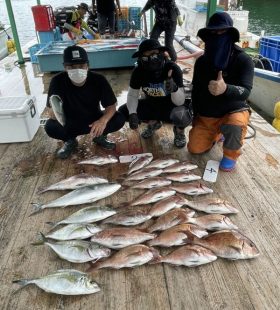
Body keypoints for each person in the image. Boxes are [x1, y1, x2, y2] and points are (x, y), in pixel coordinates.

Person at [187, 12, 254, 171]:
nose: (217, 36)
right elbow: (195, 90)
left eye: (221, 32)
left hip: (233, 110)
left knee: (235, 124)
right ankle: (217, 133)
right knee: (194, 148)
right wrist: (193, 113)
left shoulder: (243, 59)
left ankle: (231, 155)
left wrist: (226, 89)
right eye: (213, 33)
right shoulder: (202, 61)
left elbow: (246, 91)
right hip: (209, 114)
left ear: (230, 35)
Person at [45, 45, 125, 159]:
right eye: (71, 66)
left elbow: (111, 106)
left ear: (88, 66)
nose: (77, 69)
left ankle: (100, 136)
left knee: (119, 118)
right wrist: (54, 114)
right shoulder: (57, 81)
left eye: (81, 65)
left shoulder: (99, 79)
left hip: (94, 120)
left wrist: (102, 121)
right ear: (64, 67)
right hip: (69, 121)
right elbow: (51, 109)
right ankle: (70, 141)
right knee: (50, 126)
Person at [118, 39, 192, 148]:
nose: (150, 60)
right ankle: (154, 123)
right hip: (151, 104)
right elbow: (132, 94)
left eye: (153, 55)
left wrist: (174, 89)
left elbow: (180, 101)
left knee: (182, 114)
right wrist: (133, 113)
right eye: (145, 57)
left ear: (161, 54)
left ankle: (179, 132)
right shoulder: (138, 71)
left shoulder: (173, 69)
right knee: (124, 111)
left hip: (171, 107)